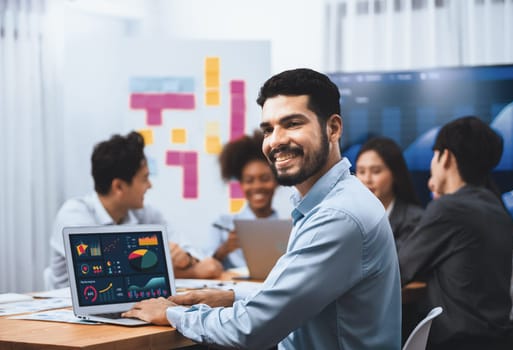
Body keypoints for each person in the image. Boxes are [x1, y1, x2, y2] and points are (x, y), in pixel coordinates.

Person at [123, 68, 402, 349]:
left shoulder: (338, 216)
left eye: (292, 124)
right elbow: (290, 294)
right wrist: (231, 296)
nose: (276, 140)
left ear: (333, 128)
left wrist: (172, 314)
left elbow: (251, 329)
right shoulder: (334, 201)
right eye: (268, 129)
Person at [398, 116, 513, 349]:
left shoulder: (450, 209)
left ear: (446, 157)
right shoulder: (495, 207)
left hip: (458, 342)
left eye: (434, 155)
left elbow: (399, 268)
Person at [45, 131, 223, 290]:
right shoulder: (74, 215)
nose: (150, 185)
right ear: (119, 187)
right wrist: (191, 272)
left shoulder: (147, 214)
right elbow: (114, 277)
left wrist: (187, 260)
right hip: (69, 315)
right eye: (144, 178)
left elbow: (207, 264)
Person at [202, 130, 279, 269]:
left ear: (277, 181)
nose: (257, 186)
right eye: (249, 180)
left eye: (265, 179)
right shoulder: (222, 225)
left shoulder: (292, 228)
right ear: (241, 185)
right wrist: (224, 249)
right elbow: (203, 266)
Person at [355, 136, 423, 251]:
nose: (367, 179)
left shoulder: (415, 220)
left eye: (376, 171)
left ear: (395, 174)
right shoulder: (350, 217)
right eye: (361, 172)